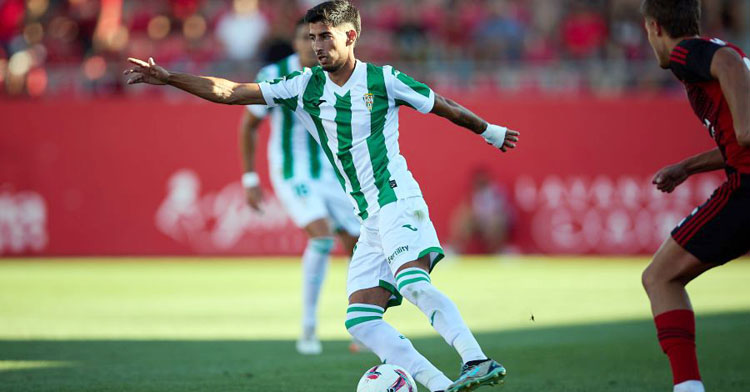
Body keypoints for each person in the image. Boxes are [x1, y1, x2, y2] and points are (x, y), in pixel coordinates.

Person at [124, 1, 519, 390]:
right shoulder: (304, 85)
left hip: (397, 200)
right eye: (312, 37)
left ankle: (476, 360)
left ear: (351, 36)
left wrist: (490, 131)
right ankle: (439, 385)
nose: (316, 45)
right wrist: (171, 76)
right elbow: (231, 92)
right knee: (361, 322)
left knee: (412, 283)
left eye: (325, 37)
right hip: (369, 218)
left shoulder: (384, 80)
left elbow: (442, 105)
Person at [640, 1, 750, 391]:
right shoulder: (715, 51)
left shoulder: (687, 51)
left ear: (654, 27)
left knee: (660, 277)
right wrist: (686, 167)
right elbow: (736, 138)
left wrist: (746, 128)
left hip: (747, 188)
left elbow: (728, 65)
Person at [239, 18, 360, 356]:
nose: (312, 45)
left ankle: (365, 326)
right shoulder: (273, 74)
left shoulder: (337, 72)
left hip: (333, 174)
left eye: (319, 38)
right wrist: (250, 178)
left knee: (361, 247)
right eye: (305, 38)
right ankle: (308, 327)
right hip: (294, 173)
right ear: (295, 43)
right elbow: (249, 125)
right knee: (321, 237)